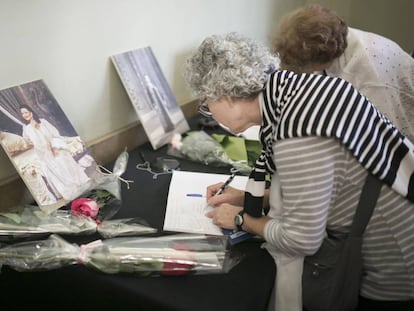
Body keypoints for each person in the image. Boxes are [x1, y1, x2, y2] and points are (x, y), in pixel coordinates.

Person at [184, 32, 414, 310]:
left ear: (226, 95)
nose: (208, 110)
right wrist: (253, 196)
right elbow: (321, 185)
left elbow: (301, 239)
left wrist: (242, 219)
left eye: (207, 101)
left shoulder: (296, 134)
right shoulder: (301, 90)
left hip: (395, 264)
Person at [272, 4, 414, 142]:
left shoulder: (369, 73)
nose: (304, 69)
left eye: (304, 64)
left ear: (320, 57)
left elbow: (384, 138)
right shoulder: (333, 39)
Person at [20, 105, 91, 205]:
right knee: (51, 165)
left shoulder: (43, 121)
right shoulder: (27, 129)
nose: (24, 115)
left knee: (61, 158)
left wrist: (54, 147)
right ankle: (68, 189)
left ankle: (78, 183)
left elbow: (55, 134)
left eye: (25, 112)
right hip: (43, 154)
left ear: (31, 112)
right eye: (22, 113)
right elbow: (29, 143)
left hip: (54, 147)